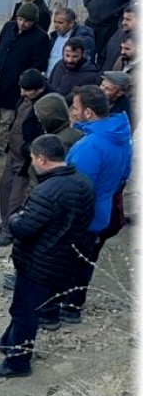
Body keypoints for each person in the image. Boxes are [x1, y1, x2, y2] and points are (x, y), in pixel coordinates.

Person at [0, 135, 94, 377]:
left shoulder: (46, 191)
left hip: (39, 262)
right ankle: (7, 341)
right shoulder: (83, 182)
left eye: (33, 158)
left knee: (25, 312)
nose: (32, 163)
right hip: (65, 258)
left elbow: (23, 227)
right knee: (28, 308)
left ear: (43, 159)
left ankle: (17, 362)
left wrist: (14, 218)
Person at [59, 85, 133, 324]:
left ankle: (63, 306)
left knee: (70, 259)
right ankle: (73, 304)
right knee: (85, 259)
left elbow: (76, 187)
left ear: (88, 113)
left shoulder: (89, 146)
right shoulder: (121, 137)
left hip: (83, 215)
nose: (73, 111)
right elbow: (124, 175)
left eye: (76, 107)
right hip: (103, 210)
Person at [0, 69, 53, 247]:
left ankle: (10, 231)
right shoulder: (26, 98)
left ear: (39, 89)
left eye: (27, 90)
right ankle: (5, 221)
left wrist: (29, 151)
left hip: (27, 159)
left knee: (16, 196)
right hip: (13, 153)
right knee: (4, 187)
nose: (22, 93)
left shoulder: (47, 104)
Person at [48, 7, 99, 76]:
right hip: (51, 76)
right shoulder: (55, 36)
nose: (56, 25)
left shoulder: (83, 39)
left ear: (71, 23)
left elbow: (86, 63)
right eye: (54, 22)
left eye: (60, 23)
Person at [102, 5, 134, 71]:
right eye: (123, 18)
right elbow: (104, 56)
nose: (123, 23)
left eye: (128, 19)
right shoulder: (119, 33)